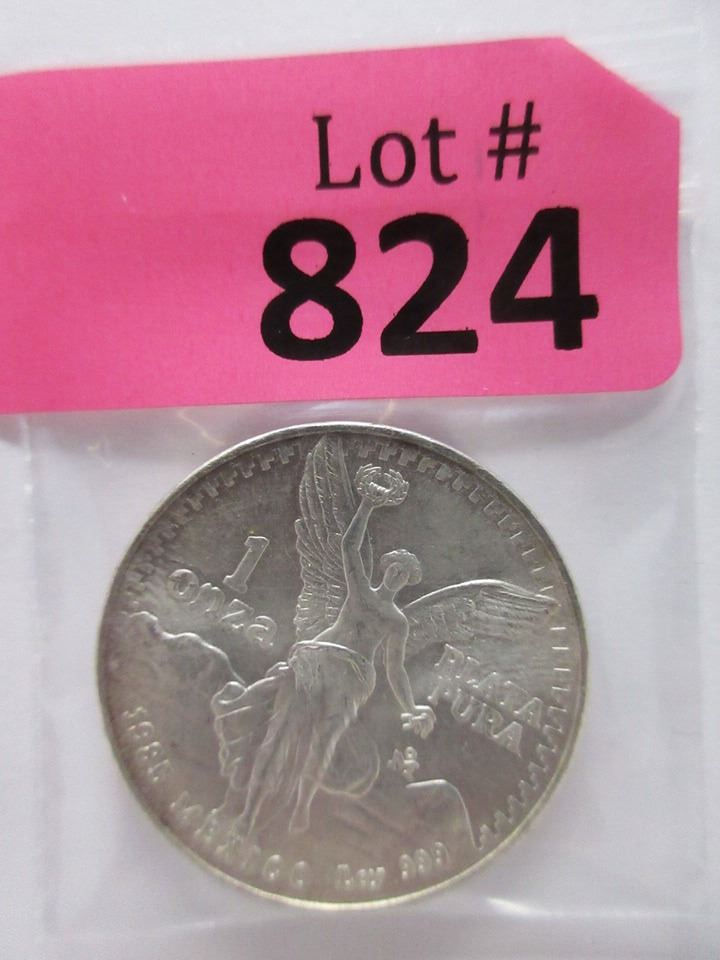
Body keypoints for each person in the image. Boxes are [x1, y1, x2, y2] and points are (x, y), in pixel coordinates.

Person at [213, 464, 436, 839]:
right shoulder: (360, 590)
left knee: (322, 745)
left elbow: (395, 668)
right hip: (315, 661)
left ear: (407, 581)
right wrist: (366, 505)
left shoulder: (396, 622)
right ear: (385, 568)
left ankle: (302, 807)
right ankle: (249, 814)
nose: (396, 574)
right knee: (277, 737)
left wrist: (410, 707)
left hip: (352, 677)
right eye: (394, 567)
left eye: (404, 573)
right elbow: (349, 548)